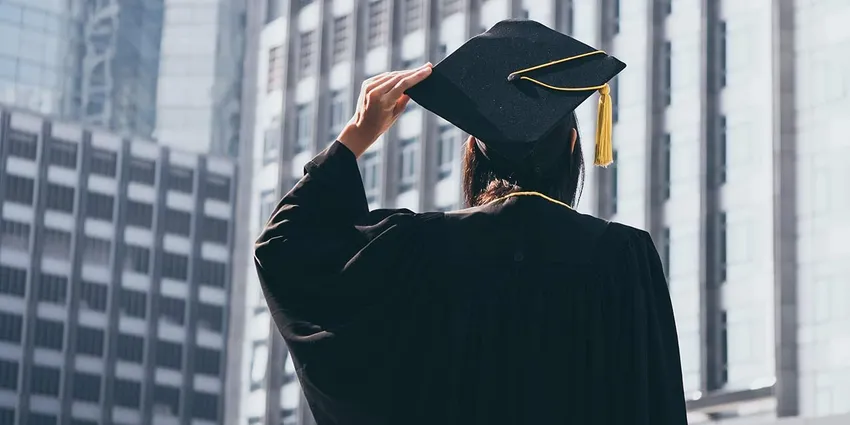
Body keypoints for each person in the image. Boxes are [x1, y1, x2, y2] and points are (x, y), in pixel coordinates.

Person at [255, 19, 687, 425]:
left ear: (474, 153)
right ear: (573, 144)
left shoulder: (415, 247)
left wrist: (355, 135)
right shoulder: (625, 258)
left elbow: (283, 249)